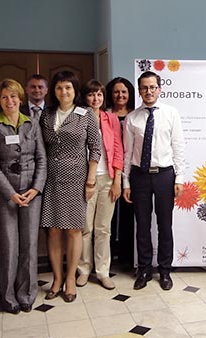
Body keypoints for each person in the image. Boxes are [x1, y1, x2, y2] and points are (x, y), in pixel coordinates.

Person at [0, 79, 46, 314]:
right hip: (4, 195)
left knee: (29, 246)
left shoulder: (32, 125)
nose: (9, 101)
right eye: (4, 97)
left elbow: (41, 159)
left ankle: (27, 294)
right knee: (9, 246)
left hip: (32, 193)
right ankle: (9, 297)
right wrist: (10, 193)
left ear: (21, 99)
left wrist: (36, 188)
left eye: (13, 96)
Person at [40, 71, 101, 302]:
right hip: (50, 179)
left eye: (68, 88)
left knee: (74, 230)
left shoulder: (85, 115)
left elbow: (96, 148)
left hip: (77, 179)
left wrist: (91, 180)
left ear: (75, 91)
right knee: (54, 230)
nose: (63, 92)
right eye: (59, 88)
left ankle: (71, 279)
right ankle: (56, 278)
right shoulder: (46, 114)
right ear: (53, 91)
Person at [123, 71, 185, 291]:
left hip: (164, 175)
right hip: (139, 176)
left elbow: (178, 147)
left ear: (160, 88)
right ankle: (145, 269)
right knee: (142, 225)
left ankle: (165, 271)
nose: (148, 91)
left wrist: (180, 178)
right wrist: (126, 183)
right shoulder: (132, 118)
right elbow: (127, 153)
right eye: (144, 88)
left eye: (152, 87)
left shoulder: (171, 113)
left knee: (165, 225)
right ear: (139, 91)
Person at [77, 79, 123, 290]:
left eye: (99, 95)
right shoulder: (77, 118)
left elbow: (118, 149)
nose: (95, 99)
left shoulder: (110, 118)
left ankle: (103, 271)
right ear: (84, 97)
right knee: (85, 228)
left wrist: (117, 180)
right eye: (91, 94)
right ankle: (84, 269)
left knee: (103, 229)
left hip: (107, 179)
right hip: (84, 180)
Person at [106, 77, 136, 271]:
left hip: (132, 171)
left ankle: (126, 256)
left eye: (124, 92)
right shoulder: (105, 115)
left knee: (128, 214)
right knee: (108, 217)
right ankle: (107, 257)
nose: (120, 95)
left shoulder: (135, 115)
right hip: (109, 170)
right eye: (116, 92)